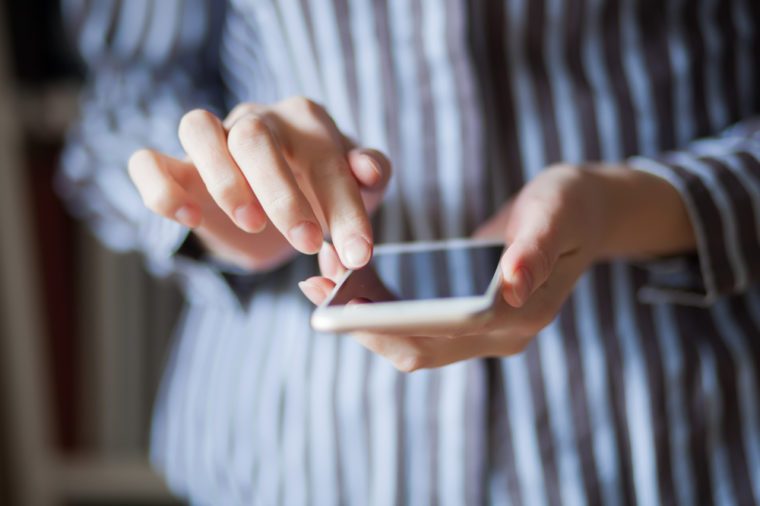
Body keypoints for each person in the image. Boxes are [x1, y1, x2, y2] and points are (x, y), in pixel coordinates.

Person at [59, 0, 760, 503]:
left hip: (676, 442)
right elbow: (120, 103)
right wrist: (210, 200)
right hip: (288, 455)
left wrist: (628, 205)